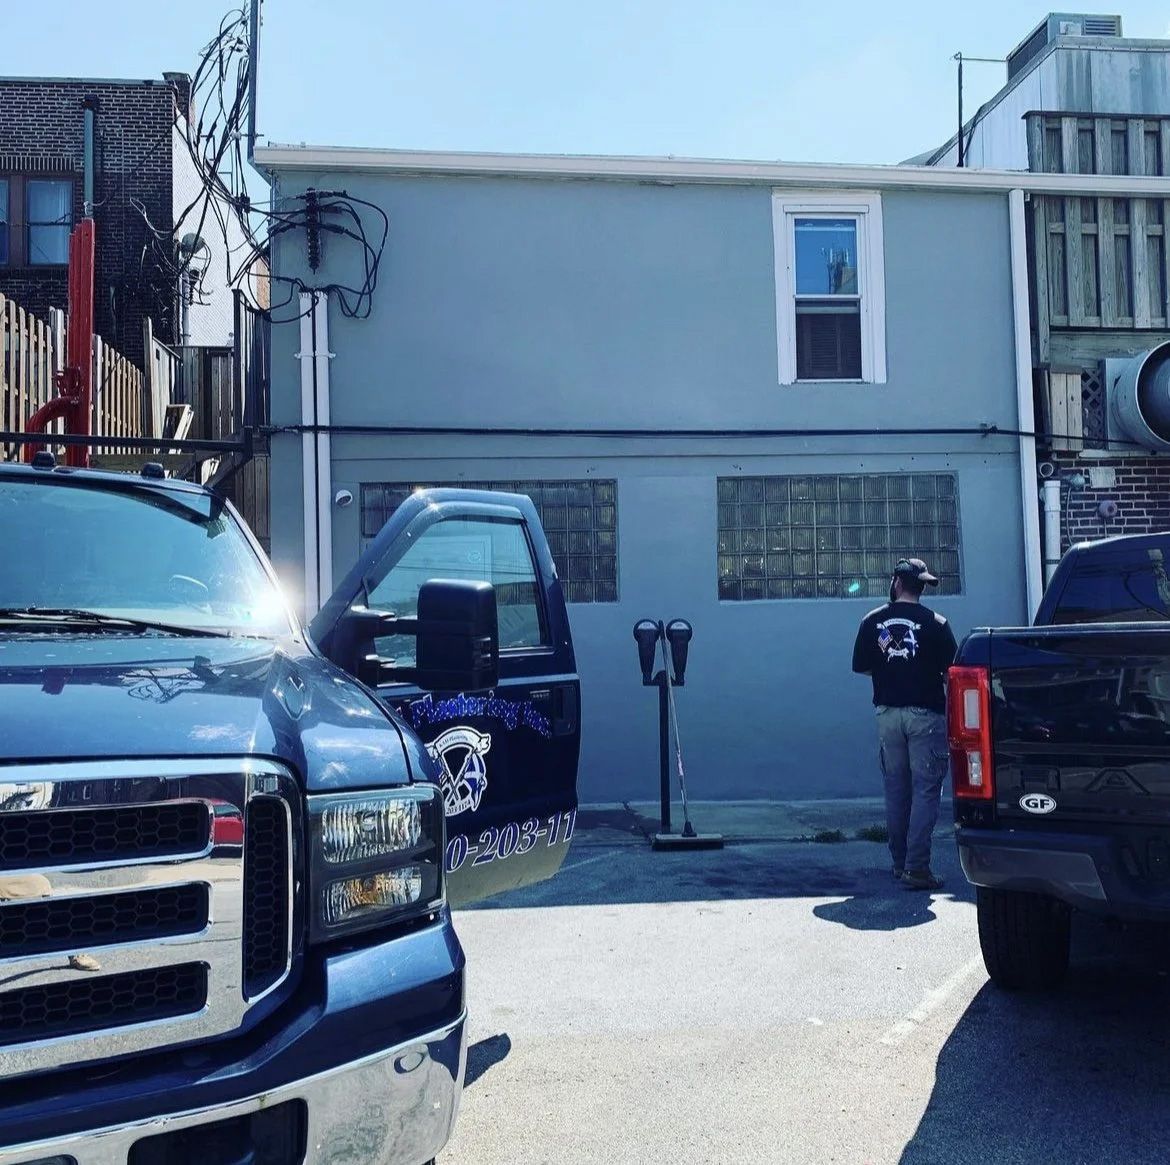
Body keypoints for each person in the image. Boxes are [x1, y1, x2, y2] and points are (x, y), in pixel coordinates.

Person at [851, 558, 957, 891]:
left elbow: (863, 667)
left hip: (887, 715)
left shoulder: (872, 621)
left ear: (896, 582)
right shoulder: (937, 623)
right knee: (926, 790)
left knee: (896, 790)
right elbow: (950, 673)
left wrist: (890, 672)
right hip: (926, 716)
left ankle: (900, 864)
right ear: (921, 586)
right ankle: (917, 868)